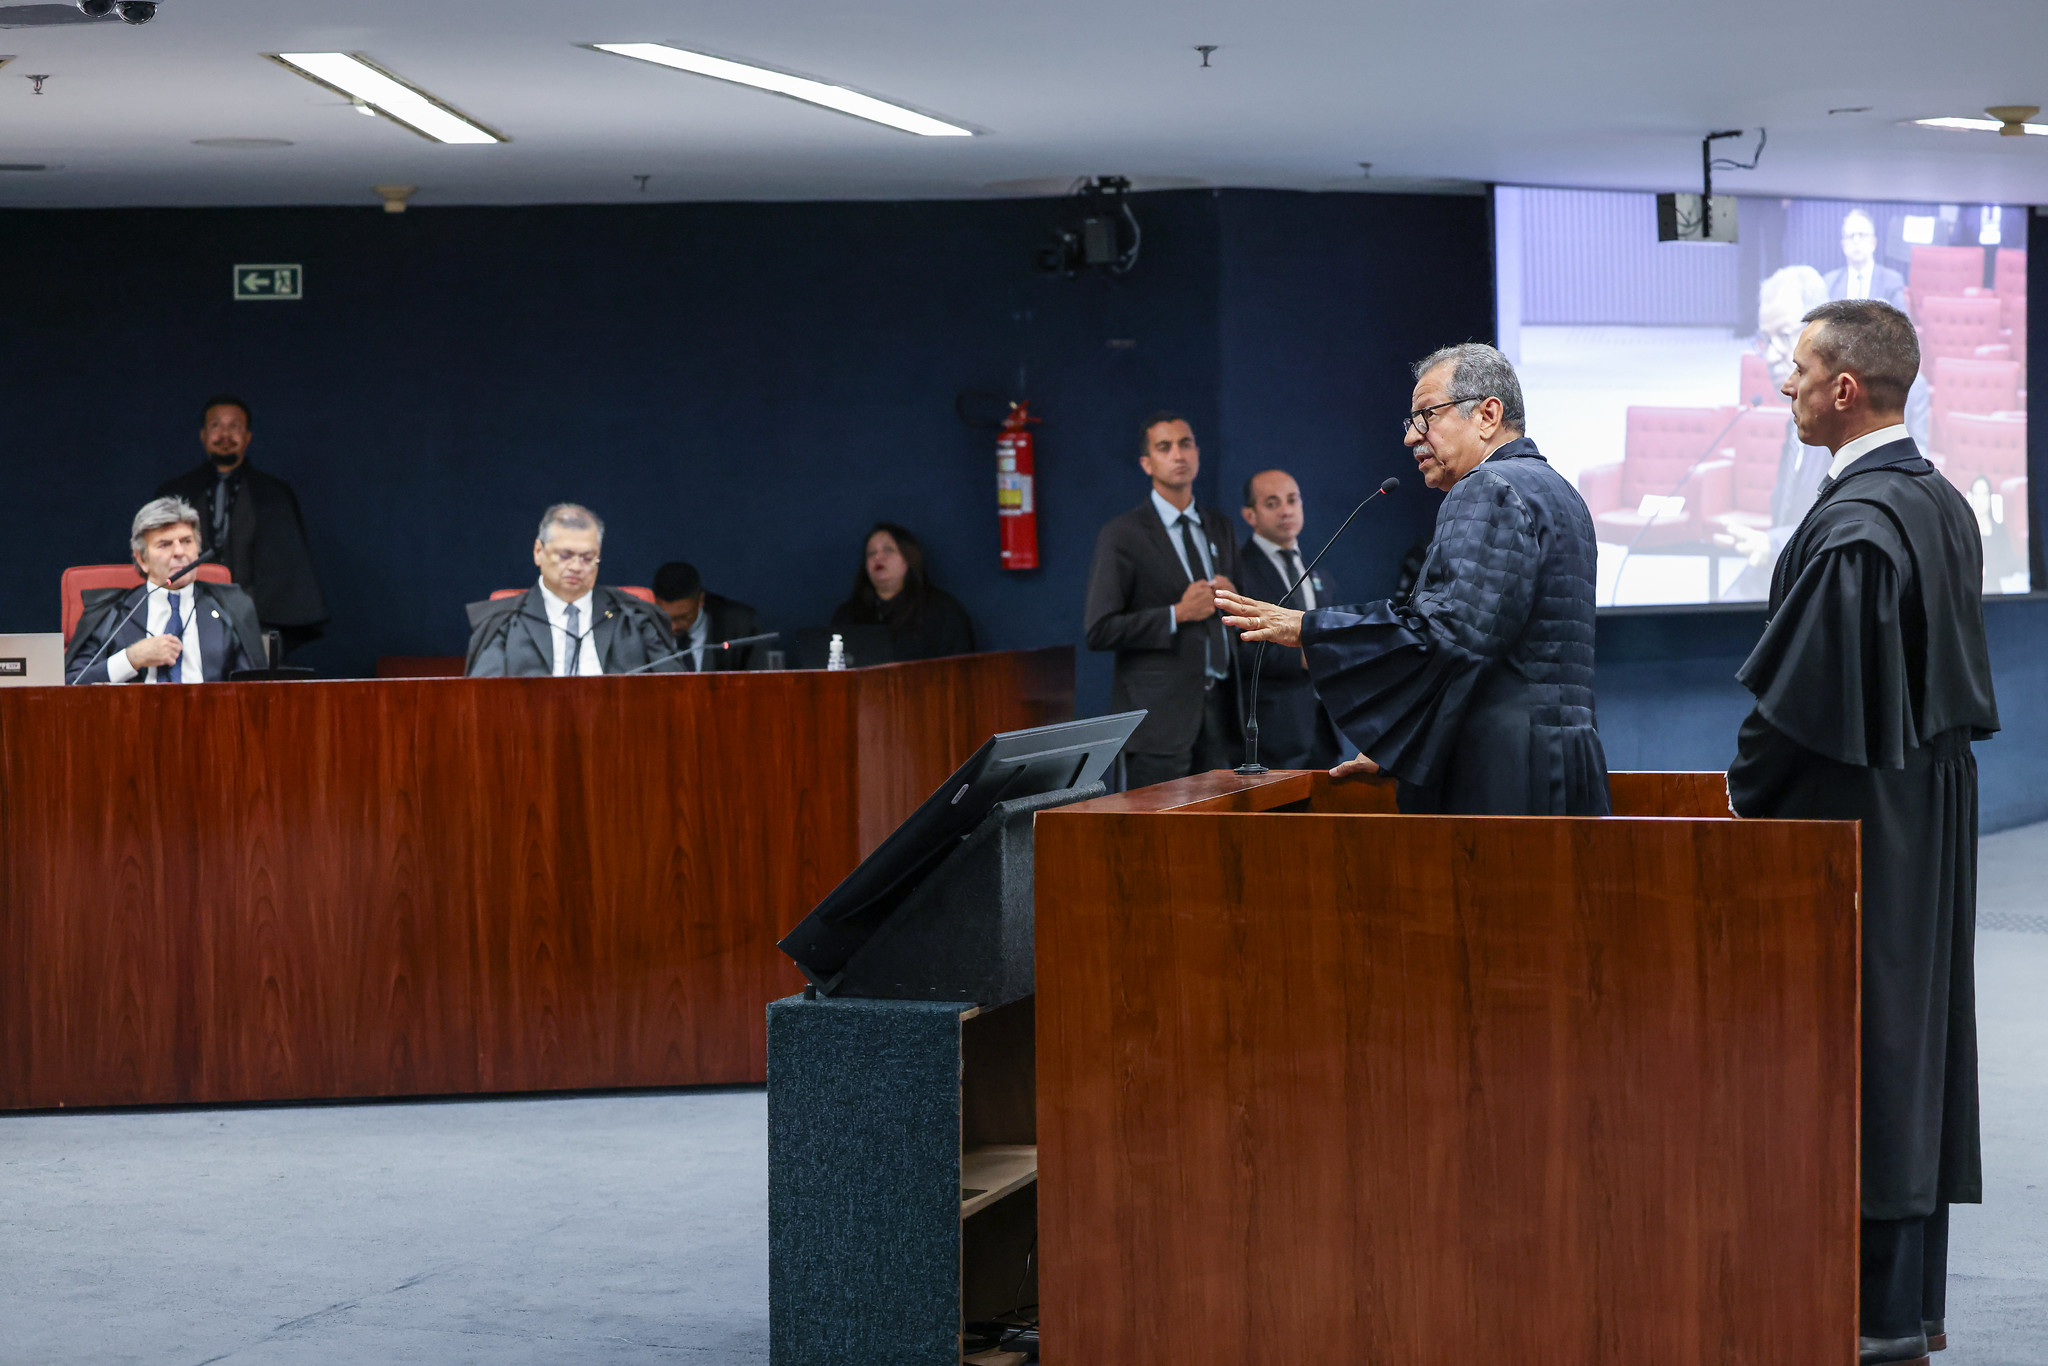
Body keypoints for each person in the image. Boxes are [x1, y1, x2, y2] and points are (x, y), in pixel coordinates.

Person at [1723, 300, 1998, 1366]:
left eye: (1795, 369)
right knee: (1905, 1041)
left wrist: (1743, 797)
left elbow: (1797, 713)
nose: (1781, 384)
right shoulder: (1934, 504)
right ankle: (1899, 1309)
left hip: (1853, 834)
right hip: (1922, 815)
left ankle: (1859, 1313)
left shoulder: (1853, 528)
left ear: (1845, 388)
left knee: (1865, 1050)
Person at [1217, 344, 1609, 816]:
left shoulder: (1485, 488)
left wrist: (1309, 629)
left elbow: (1451, 636)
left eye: (1427, 415)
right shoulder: (1563, 492)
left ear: (1487, 414)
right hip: (1569, 762)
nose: (1411, 437)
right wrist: (1398, 750)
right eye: (1411, 421)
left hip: (1498, 774)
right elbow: (1485, 647)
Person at [1082, 411, 1243, 788]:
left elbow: (1239, 609)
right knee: (1159, 838)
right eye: (1164, 447)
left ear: (1198, 453)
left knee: (1220, 833)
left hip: (1221, 711)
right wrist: (1177, 614)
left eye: (1185, 444)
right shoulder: (1122, 534)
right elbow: (1099, 630)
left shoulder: (1220, 525)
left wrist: (1237, 599)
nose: (1178, 455)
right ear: (1146, 463)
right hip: (1157, 721)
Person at [155, 395, 328, 656]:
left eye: (234, 426)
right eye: (216, 426)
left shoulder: (273, 495)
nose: (225, 434)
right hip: (185, 622)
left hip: (258, 622)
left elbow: (290, 569)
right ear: (203, 435)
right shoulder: (175, 493)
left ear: (247, 436)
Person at [65, 497, 266, 684]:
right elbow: (72, 682)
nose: (179, 552)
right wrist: (131, 658)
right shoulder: (113, 613)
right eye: (165, 545)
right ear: (142, 559)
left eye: (187, 541)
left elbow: (254, 689)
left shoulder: (231, 608)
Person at [465, 504, 680, 676]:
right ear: (538, 552)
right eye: (565, 556)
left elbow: (677, 691)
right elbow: (482, 701)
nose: (576, 567)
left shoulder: (635, 617)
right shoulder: (503, 622)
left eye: (587, 558)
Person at [1235, 469, 1341, 769]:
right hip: (1271, 734)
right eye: (1272, 503)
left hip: (1324, 731)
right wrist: (1304, 657)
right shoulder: (1238, 573)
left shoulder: (1319, 574)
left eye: (1292, 500)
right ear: (1250, 515)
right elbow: (1237, 651)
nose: (1285, 510)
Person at [829, 523, 976, 661]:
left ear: (908, 559)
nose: (878, 557)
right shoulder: (847, 615)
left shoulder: (942, 611)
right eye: (871, 553)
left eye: (888, 550)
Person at [652, 561, 765, 671]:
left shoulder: (740, 626)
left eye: (683, 618)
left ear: (700, 600)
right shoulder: (643, 627)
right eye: (666, 618)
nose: (673, 627)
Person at [1825, 210, 1908, 307]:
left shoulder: (1892, 281)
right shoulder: (1829, 282)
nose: (1856, 241)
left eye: (1862, 235)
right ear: (1843, 245)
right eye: (1851, 236)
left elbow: (1902, 321)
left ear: (1873, 242)